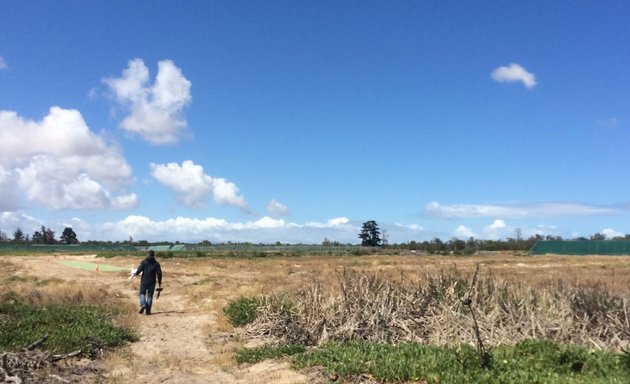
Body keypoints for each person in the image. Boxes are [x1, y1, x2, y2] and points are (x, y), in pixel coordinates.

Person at [134, 250, 162, 315]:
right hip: (152, 281)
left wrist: (136, 273)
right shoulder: (156, 263)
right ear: (153, 255)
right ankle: (148, 311)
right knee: (150, 296)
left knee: (142, 293)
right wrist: (159, 282)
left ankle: (143, 304)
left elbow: (139, 270)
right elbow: (159, 273)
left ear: (148, 254)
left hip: (144, 281)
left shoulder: (144, 262)